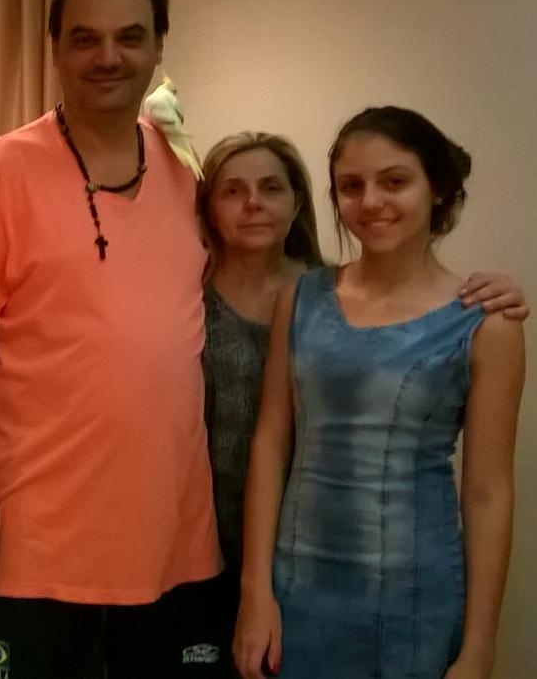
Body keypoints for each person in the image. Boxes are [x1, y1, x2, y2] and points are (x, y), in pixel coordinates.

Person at [0, 0, 225, 677]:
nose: (108, 57)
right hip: (38, 544)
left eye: (130, 37)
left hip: (173, 540)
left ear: (158, 46)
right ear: (56, 50)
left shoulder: (187, 169)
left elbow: (269, 278)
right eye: (85, 39)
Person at [197, 132, 525, 675]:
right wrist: (257, 593)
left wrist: (480, 645)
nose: (371, 201)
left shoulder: (486, 321)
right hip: (296, 584)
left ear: (436, 188)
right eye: (351, 186)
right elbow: (271, 440)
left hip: (415, 593)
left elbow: (488, 492)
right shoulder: (302, 298)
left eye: (394, 181)